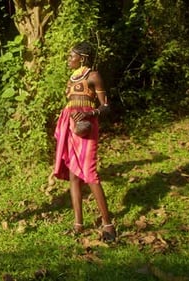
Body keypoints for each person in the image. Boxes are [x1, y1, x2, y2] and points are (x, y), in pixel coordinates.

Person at [53, 41, 116, 242]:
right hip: (71, 127)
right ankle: (78, 225)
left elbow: (106, 106)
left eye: (72, 56)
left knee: (90, 174)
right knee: (73, 175)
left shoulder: (93, 76)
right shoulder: (71, 78)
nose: (68, 59)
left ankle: (108, 226)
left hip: (87, 128)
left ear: (82, 58)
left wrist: (91, 113)